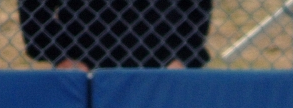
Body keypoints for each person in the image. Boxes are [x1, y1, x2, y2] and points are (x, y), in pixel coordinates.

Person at [18, 0, 211, 70]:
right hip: (86, 68)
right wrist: (61, 56)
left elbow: (198, 8)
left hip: (161, 67)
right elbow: (33, 6)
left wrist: (183, 57)